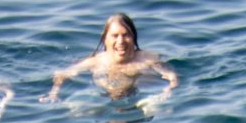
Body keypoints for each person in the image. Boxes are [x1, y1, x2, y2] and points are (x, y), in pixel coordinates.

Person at [44, 13, 179, 103]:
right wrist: (53, 93)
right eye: (115, 36)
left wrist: (168, 90)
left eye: (126, 35)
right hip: (104, 98)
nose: (120, 41)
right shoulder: (96, 62)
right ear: (105, 40)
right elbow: (61, 75)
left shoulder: (148, 59)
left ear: (133, 38)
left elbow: (172, 76)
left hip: (140, 96)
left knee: (156, 107)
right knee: (77, 110)